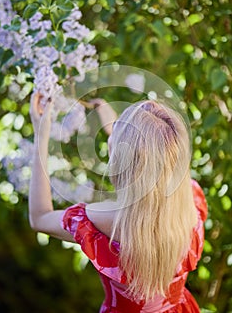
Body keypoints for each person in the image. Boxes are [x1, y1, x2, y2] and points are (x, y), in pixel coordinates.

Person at [29, 92, 207, 313]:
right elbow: (154, 164)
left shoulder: (103, 221)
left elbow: (39, 217)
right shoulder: (190, 198)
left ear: (119, 160)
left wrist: (41, 134)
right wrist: (114, 127)